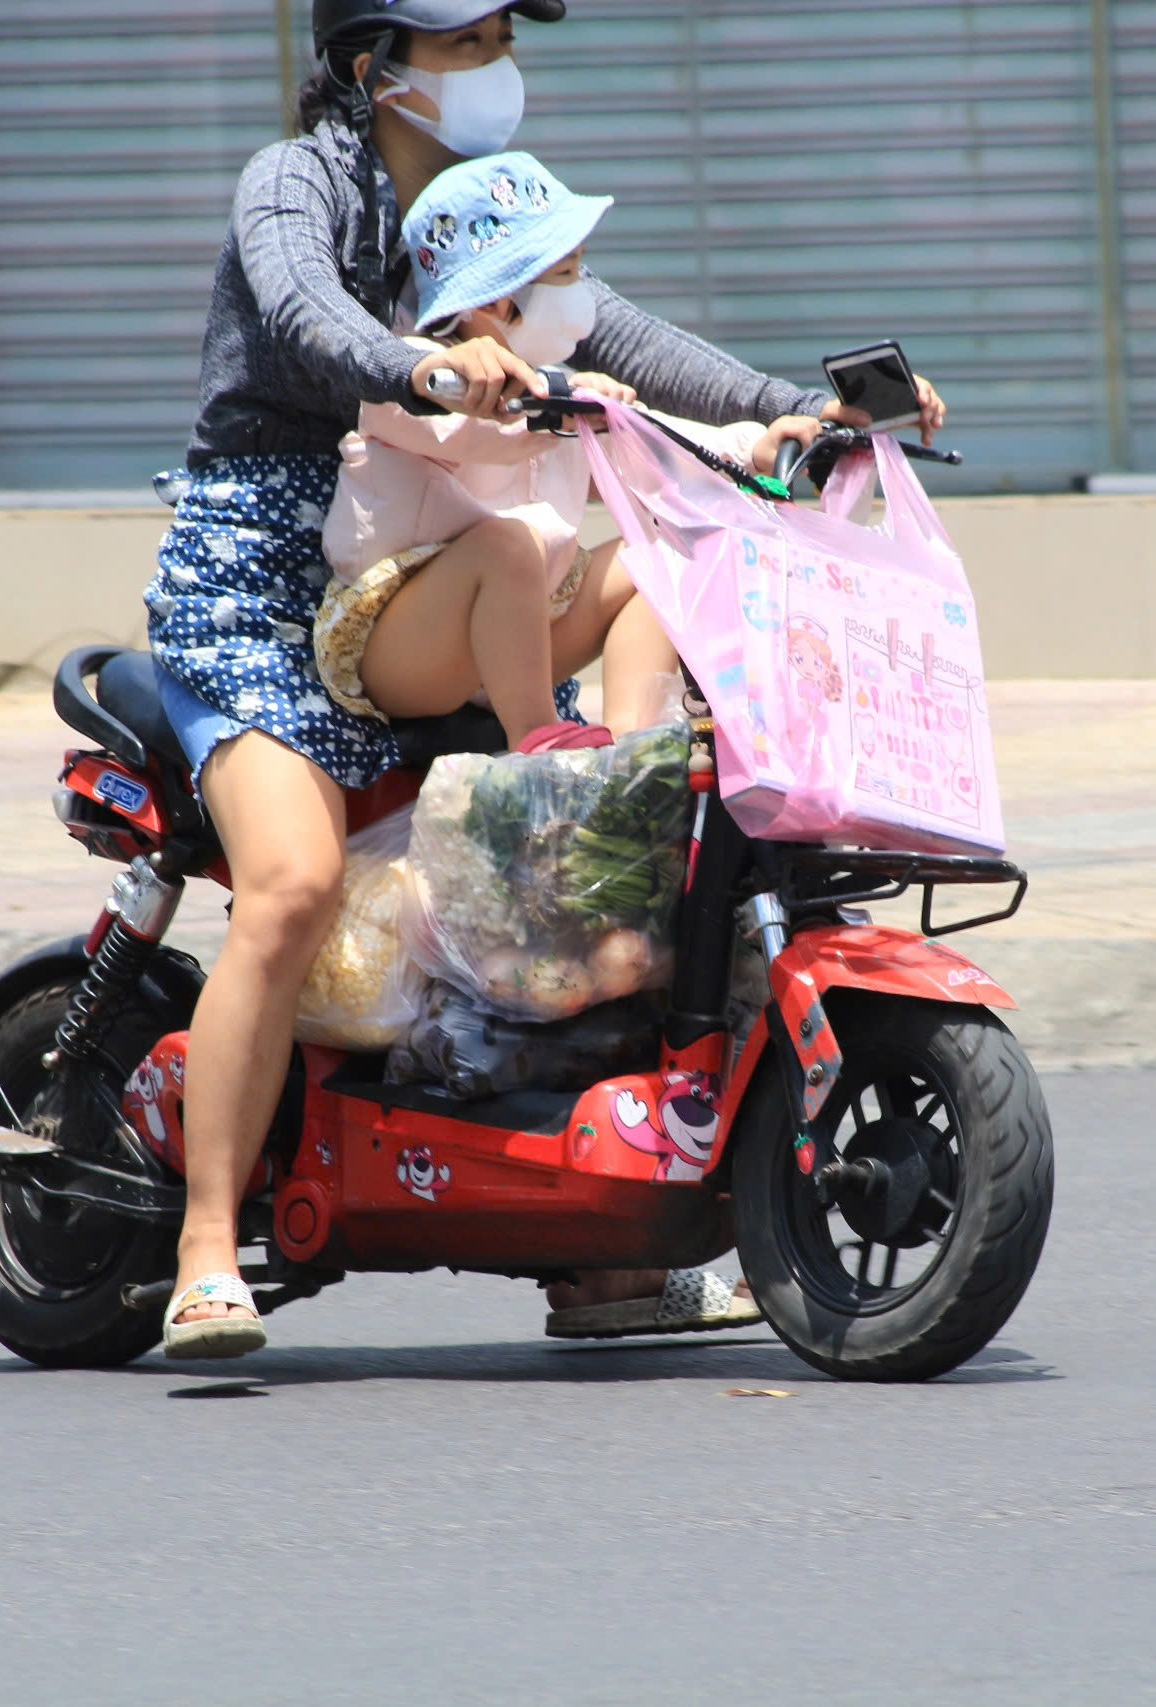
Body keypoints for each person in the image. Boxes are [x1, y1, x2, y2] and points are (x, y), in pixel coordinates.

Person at [141, 0, 947, 1358]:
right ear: (370, 66)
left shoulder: (483, 209)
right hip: (264, 585)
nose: (496, 73)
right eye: (466, 48)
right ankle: (208, 1245)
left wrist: (799, 415)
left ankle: (599, 1250)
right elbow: (303, 315)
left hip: (440, 573)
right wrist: (427, 359)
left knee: (605, 867)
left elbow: (631, 347)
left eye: (501, 44)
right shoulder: (302, 186)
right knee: (286, 887)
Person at [313, 150, 826, 756]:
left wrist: (751, 449)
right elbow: (475, 431)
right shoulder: (421, 380)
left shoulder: (556, 386)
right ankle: (538, 743)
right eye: (566, 275)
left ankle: (635, 754)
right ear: (497, 304)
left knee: (664, 554)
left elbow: (654, 442)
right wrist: (560, 405)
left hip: (527, 624)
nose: (583, 293)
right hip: (400, 647)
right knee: (508, 543)